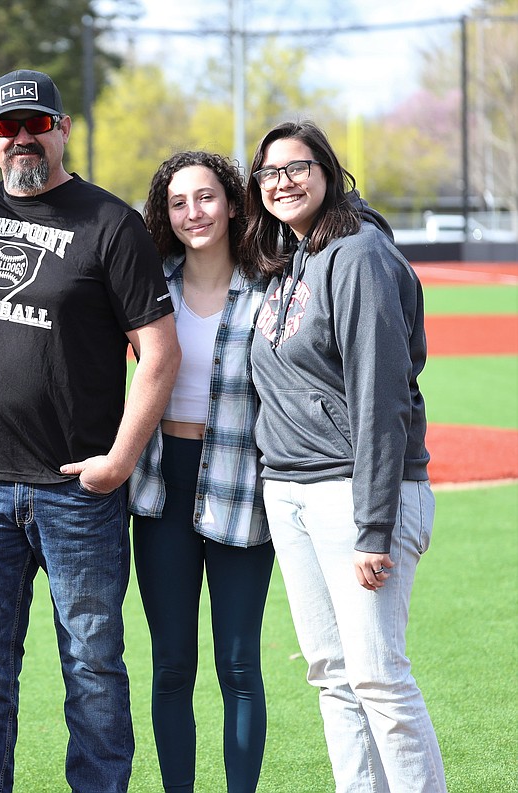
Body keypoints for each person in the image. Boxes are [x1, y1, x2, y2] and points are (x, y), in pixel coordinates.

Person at [0, 69, 180, 793]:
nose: (23, 139)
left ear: (62, 127)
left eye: (35, 124)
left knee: (93, 662)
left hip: (79, 491)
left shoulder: (110, 222)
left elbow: (160, 352)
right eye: (7, 128)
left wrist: (119, 460)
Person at [243, 120, 446, 792]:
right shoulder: (293, 258)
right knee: (332, 673)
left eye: (297, 167)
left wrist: (374, 524)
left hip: (355, 493)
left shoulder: (358, 254)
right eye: (270, 173)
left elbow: (381, 394)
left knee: (378, 676)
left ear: (328, 171)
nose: (282, 182)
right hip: (295, 492)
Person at [128, 151, 275, 793]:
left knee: (239, 662)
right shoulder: (147, 283)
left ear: (234, 202)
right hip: (164, 485)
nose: (194, 213)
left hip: (244, 483)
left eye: (207, 197)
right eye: (179, 202)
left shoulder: (271, 283)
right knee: (171, 665)